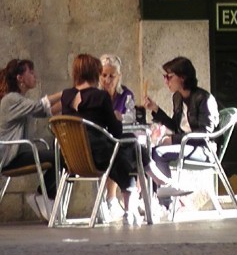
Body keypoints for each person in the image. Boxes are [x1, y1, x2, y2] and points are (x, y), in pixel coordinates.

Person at [62, 54, 188, 225]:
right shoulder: (100, 97)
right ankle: (142, 200)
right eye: (102, 74)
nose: (106, 79)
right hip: (99, 157)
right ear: (95, 74)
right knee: (130, 146)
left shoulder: (66, 96)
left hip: (73, 158)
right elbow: (115, 129)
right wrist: (116, 119)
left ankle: (147, 192)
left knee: (128, 146)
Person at [145, 57, 219, 205]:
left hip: (204, 150)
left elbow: (206, 133)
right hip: (187, 146)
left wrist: (173, 140)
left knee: (158, 153)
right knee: (148, 152)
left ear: (183, 77)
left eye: (169, 77)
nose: (166, 81)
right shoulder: (177, 98)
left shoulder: (204, 98)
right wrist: (156, 109)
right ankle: (158, 200)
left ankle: (167, 202)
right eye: (164, 77)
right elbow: (175, 126)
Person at [0, 59, 62, 221]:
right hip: (9, 157)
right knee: (60, 157)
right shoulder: (11, 99)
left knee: (61, 156)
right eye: (31, 73)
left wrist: (69, 99)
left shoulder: (20, 100)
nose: (35, 76)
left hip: (18, 153)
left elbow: (45, 112)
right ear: (20, 78)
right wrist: (65, 93)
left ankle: (43, 197)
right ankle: (42, 196)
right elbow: (38, 107)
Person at [98, 54, 135, 221]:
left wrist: (119, 116)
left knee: (130, 150)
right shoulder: (96, 95)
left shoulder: (125, 95)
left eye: (111, 76)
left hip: (120, 137)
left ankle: (126, 200)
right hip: (101, 141)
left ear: (118, 76)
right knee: (115, 152)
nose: (107, 80)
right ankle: (113, 199)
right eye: (104, 75)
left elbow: (131, 116)